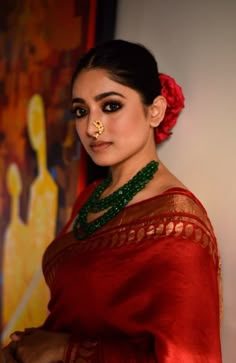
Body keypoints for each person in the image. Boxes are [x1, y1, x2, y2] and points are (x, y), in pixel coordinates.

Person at [2, 39, 222, 362]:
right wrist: (28, 347)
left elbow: (189, 357)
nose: (93, 127)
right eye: (81, 111)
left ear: (155, 111)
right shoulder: (89, 198)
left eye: (111, 106)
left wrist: (67, 350)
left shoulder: (178, 223)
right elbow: (79, 316)